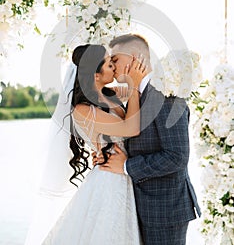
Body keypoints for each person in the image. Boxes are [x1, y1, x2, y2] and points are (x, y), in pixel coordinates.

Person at [95, 34, 201, 245]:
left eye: (115, 60)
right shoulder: (138, 94)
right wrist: (107, 155)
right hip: (142, 205)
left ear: (134, 58)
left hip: (165, 210)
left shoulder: (166, 94)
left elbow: (177, 157)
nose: (112, 67)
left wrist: (126, 166)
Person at [41, 44, 147, 245]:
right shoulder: (82, 110)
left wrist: (133, 75)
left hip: (124, 173)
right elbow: (131, 128)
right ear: (95, 75)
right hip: (109, 181)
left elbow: (143, 88)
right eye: (109, 65)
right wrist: (133, 87)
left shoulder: (110, 95)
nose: (113, 68)